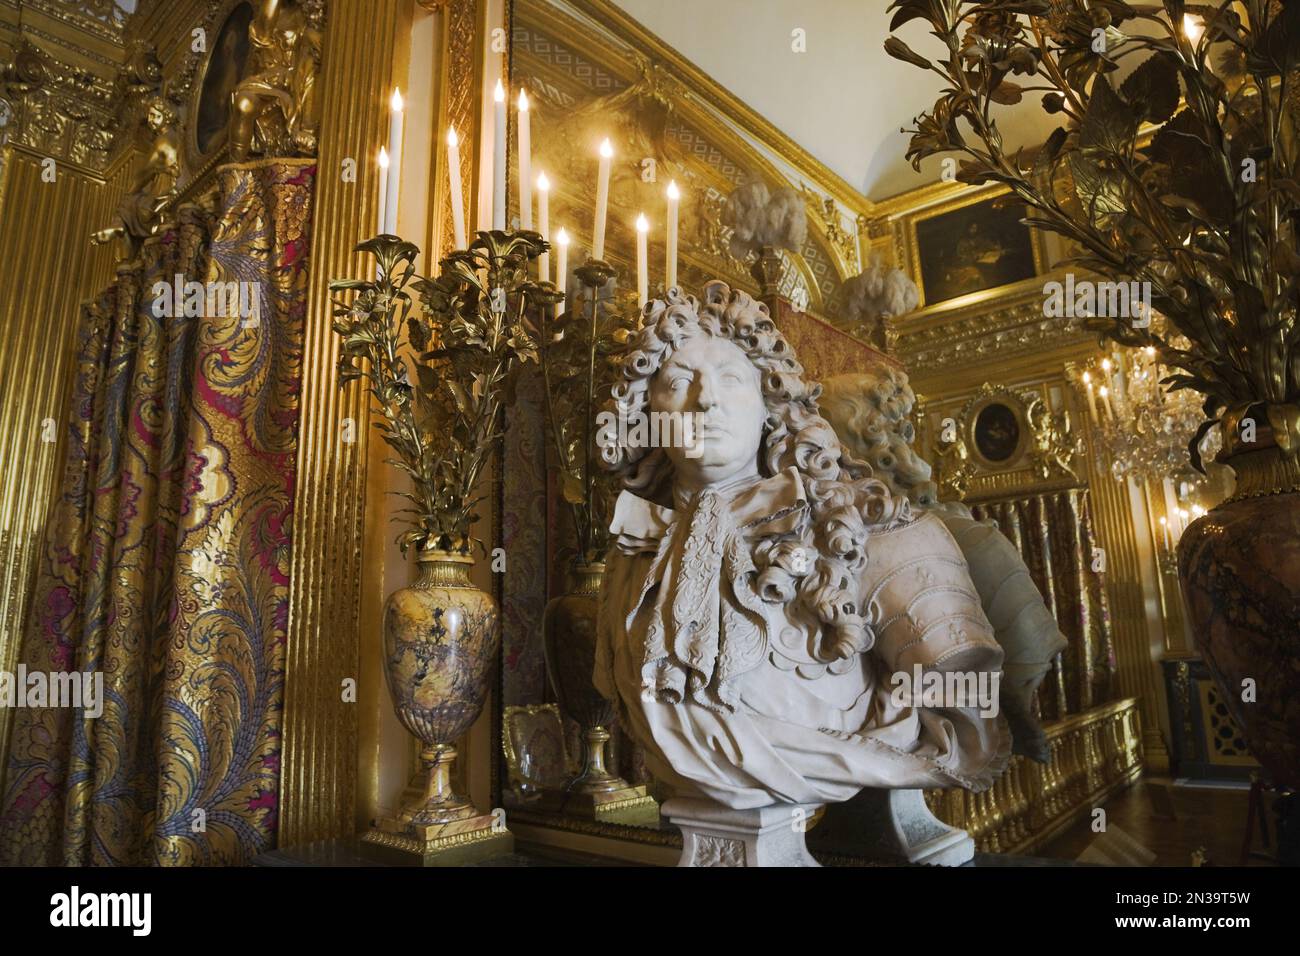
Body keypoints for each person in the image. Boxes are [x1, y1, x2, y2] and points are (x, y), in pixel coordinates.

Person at [595, 282, 1010, 810]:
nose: (707, 399)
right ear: (649, 411)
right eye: (679, 380)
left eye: (730, 378)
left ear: (771, 405)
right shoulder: (632, 556)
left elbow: (966, 712)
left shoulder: (870, 534)